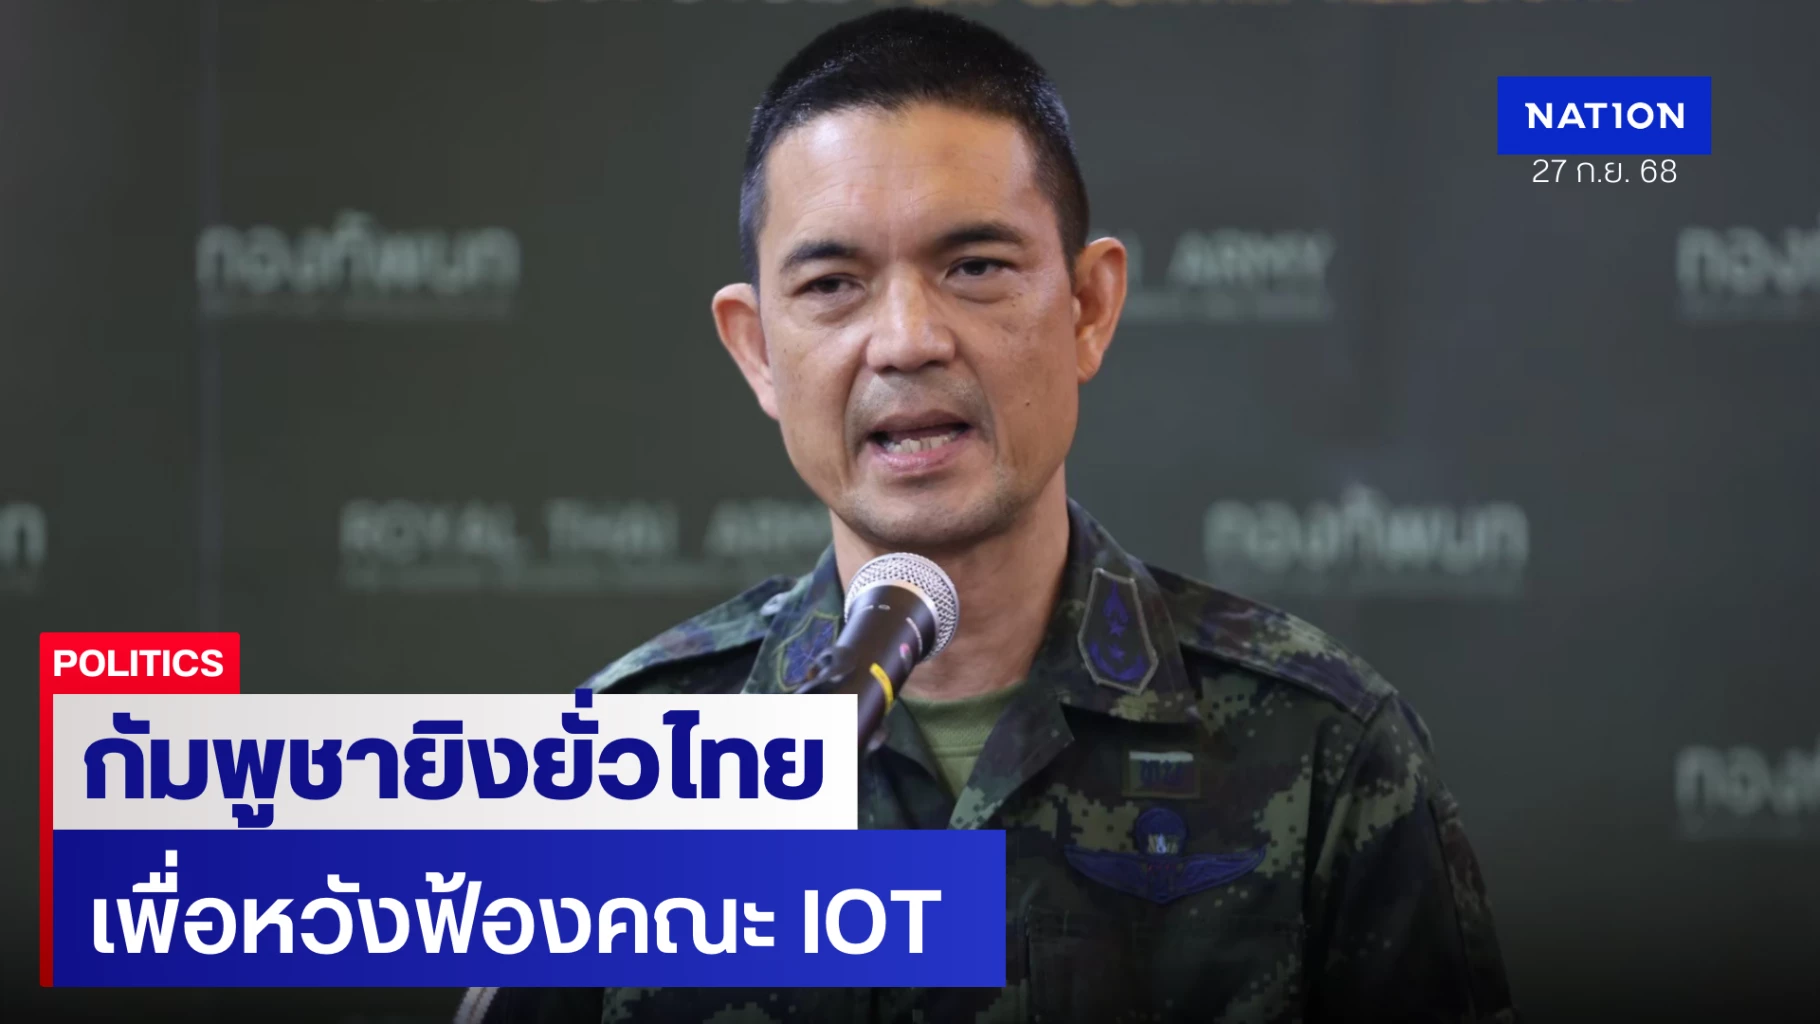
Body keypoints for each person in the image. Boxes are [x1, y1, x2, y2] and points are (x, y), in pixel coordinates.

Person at [463, 9, 1514, 1023]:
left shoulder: (1324, 748)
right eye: (832, 284)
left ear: (1088, 308)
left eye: (974, 268)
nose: (906, 339)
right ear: (756, 351)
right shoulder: (624, 765)